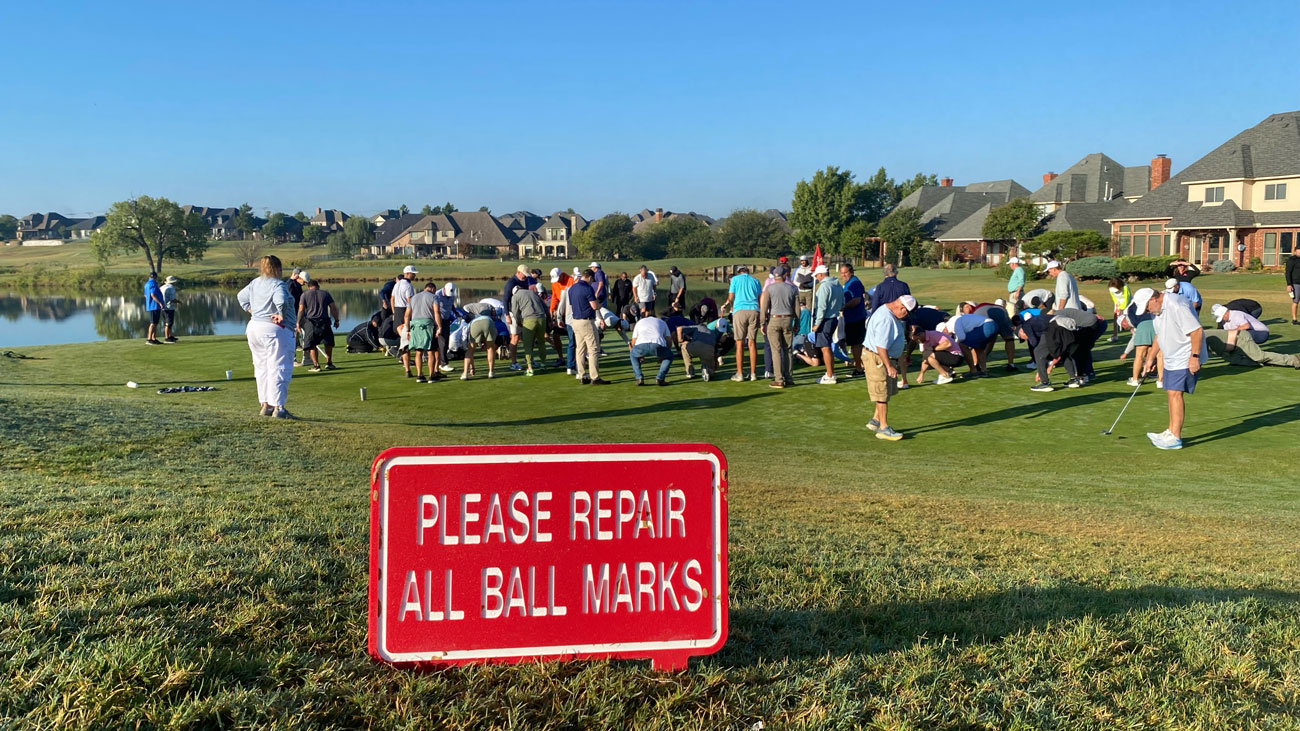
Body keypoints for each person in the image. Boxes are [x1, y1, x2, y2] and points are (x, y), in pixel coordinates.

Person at [1133, 287, 1208, 450]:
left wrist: (1194, 357)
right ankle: (1171, 430)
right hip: (1171, 356)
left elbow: (1196, 331)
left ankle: (1175, 437)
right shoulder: (1158, 312)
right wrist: (1150, 358)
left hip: (1185, 355)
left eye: (1147, 307)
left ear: (1153, 299)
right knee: (1170, 392)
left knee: (1175, 393)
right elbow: (1159, 335)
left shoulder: (1176, 304)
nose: (1148, 311)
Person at [237, 255, 297, 419]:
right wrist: (281, 315)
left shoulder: (255, 283)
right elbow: (282, 301)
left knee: (262, 367)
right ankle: (279, 407)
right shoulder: (278, 284)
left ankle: (266, 405)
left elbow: (241, 297)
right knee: (279, 366)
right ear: (277, 268)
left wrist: (252, 310)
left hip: (255, 327)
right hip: (274, 329)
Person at [863, 294, 916, 441]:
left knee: (886, 390)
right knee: (882, 393)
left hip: (883, 357)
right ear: (902, 308)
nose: (905, 317)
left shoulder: (889, 311)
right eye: (906, 313)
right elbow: (881, 347)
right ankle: (884, 428)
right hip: (878, 359)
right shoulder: (886, 319)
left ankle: (876, 420)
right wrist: (889, 366)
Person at [759, 266, 799, 388]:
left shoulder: (769, 288)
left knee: (775, 350)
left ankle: (778, 379)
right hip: (788, 319)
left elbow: (764, 308)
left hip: (774, 319)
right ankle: (789, 377)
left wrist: (762, 323)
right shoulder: (792, 288)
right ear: (785, 275)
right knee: (788, 349)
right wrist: (797, 323)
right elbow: (797, 309)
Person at [568, 269, 609, 385]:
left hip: (575, 321)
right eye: (592, 281)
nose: (592, 283)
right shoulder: (587, 288)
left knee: (580, 349)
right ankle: (594, 377)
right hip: (586, 321)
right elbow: (594, 306)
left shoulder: (572, 288)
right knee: (593, 349)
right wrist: (600, 303)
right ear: (590, 278)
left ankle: (581, 375)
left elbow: (572, 304)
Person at [724, 265, 763, 382]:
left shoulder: (735, 279)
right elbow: (760, 297)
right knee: (752, 343)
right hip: (754, 310)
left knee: (739, 343)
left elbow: (731, 297)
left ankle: (740, 373)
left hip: (740, 310)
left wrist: (731, 305)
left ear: (738, 272)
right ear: (748, 272)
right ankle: (753, 374)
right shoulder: (755, 280)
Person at [808, 264, 844, 384]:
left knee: (825, 347)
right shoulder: (837, 285)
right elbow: (842, 302)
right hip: (834, 318)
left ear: (821, 275)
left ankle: (830, 375)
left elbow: (822, 307)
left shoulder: (824, 286)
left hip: (825, 319)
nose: (817, 278)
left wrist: (817, 323)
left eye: (817, 276)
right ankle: (830, 372)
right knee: (826, 345)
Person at [1051, 307, 1105, 384]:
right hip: (1092, 322)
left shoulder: (1057, 317)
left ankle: (1082, 376)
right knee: (1082, 350)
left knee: (1078, 351)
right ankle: (1085, 374)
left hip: (1088, 325)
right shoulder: (1062, 312)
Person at [298, 278, 341, 372]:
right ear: (318, 286)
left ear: (309, 287)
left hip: (310, 322)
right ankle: (329, 363)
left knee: (311, 344)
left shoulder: (304, 294)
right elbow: (333, 307)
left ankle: (316, 365)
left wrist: (298, 322)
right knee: (328, 342)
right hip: (324, 321)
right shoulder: (325, 293)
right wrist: (336, 320)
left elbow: (301, 310)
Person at [509, 279, 548, 376]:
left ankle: (530, 368)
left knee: (527, 345)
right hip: (542, 319)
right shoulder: (532, 293)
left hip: (529, 320)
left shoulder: (515, 297)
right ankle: (543, 363)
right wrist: (550, 320)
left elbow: (515, 312)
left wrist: (519, 322)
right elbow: (545, 306)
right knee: (541, 343)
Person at [404, 282, 442, 382]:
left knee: (419, 351)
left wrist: (407, 329)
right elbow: (436, 312)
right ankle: (432, 375)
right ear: (433, 289)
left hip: (415, 325)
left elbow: (407, 316)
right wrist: (439, 326)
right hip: (428, 324)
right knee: (431, 351)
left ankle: (419, 375)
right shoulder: (434, 297)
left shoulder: (413, 298)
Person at [1118, 302, 1160, 387]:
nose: (1125, 329)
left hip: (1146, 325)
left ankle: (1135, 380)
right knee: (1159, 354)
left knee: (1139, 355)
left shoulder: (1132, 320)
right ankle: (1160, 381)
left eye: (1123, 327)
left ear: (1123, 323)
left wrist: (1126, 353)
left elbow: (1134, 340)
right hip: (1157, 325)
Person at [942, 313, 997, 377]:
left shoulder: (953, 323)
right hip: (994, 325)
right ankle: (984, 371)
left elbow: (962, 338)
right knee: (979, 348)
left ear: (944, 328)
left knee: (962, 345)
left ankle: (973, 371)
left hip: (985, 326)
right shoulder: (955, 321)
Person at [502, 264, 534, 371]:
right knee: (515, 337)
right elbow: (505, 300)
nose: (525, 277)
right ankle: (513, 362)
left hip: (523, 313)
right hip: (512, 313)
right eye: (524, 275)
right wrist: (507, 315)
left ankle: (528, 359)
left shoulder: (525, 281)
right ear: (518, 272)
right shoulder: (511, 283)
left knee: (528, 337)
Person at [838, 263, 868, 378]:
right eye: (842, 273)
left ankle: (859, 368)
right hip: (851, 317)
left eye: (845, 272)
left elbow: (856, 300)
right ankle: (859, 365)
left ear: (851, 271)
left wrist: (843, 306)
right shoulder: (848, 283)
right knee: (855, 343)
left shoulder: (854, 283)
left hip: (855, 317)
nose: (843, 275)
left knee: (856, 344)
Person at [628, 312, 673, 386]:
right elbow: (669, 340)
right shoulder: (662, 322)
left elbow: (633, 341)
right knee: (670, 356)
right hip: (657, 344)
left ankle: (639, 377)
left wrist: (639, 354)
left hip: (641, 345)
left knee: (633, 355)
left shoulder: (640, 322)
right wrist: (664, 354)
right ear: (655, 317)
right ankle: (660, 378)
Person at [392, 265, 417, 375]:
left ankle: (407, 367)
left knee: (404, 342)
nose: (414, 275)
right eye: (413, 273)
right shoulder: (408, 286)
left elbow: (392, 299)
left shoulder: (397, 284)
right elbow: (410, 301)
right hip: (405, 313)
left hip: (397, 312)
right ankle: (408, 367)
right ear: (407, 274)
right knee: (407, 342)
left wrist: (394, 312)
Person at [460, 309, 499, 380]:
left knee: (470, 350)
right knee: (490, 348)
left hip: (475, 325)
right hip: (488, 322)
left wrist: (472, 368)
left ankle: (465, 373)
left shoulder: (469, 322)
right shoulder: (490, 318)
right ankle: (491, 372)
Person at [433, 282, 459, 372]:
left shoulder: (452, 295)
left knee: (446, 342)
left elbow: (451, 304)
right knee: (442, 342)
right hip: (438, 320)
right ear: (444, 289)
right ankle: (443, 363)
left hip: (447, 320)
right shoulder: (437, 295)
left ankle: (441, 362)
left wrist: (455, 312)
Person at [143, 272, 165, 345]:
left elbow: (145, 295)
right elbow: (152, 295)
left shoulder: (146, 284)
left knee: (155, 323)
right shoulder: (153, 284)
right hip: (154, 306)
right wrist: (160, 303)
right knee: (153, 323)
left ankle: (153, 338)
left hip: (152, 306)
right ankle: (149, 339)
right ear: (155, 277)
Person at [1106, 278, 1130, 343]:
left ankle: (1134, 334)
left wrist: (1122, 308)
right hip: (1118, 303)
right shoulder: (1111, 289)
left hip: (1128, 303)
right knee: (1115, 317)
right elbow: (1114, 297)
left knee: (1128, 319)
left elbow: (1126, 298)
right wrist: (1117, 306)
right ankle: (1115, 336)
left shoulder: (1125, 287)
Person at [160, 275, 180, 342]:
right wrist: (178, 301)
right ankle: (167, 337)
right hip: (169, 307)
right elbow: (172, 299)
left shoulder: (162, 287)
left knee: (168, 322)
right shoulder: (171, 288)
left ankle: (169, 336)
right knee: (169, 323)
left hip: (162, 307)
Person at [1287, 252, 1300, 325]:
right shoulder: (1292, 260)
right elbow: (1288, 273)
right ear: (1296, 251)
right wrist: (1289, 284)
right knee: (1295, 301)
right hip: (1296, 283)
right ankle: (1294, 319)